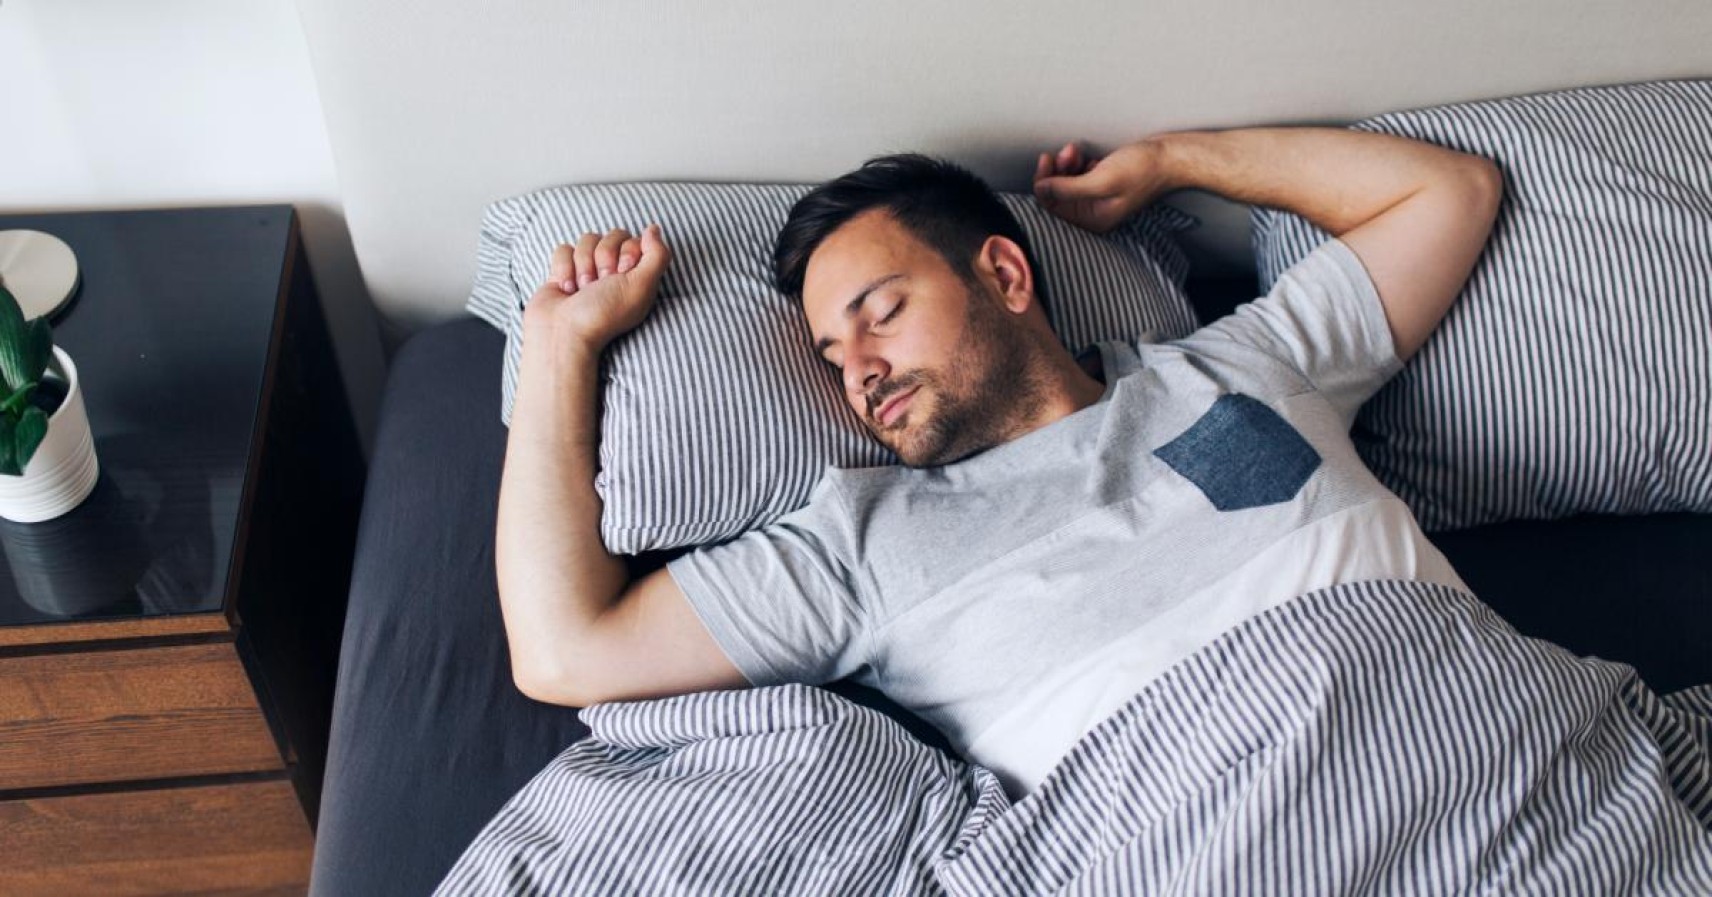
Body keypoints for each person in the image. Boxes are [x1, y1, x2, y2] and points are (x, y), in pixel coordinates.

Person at [494, 127, 1503, 796]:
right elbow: (563, 651)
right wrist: (560, 347)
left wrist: (1168, 159)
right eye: (832, 357)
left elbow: (1447, 191)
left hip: (1505, 755)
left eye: (879, 316)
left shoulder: (1242, 361)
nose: (860, 374)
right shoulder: (857, 546)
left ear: (1005, 273)